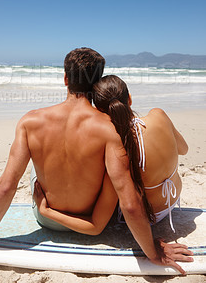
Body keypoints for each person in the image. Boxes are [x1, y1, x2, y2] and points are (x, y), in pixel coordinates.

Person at [0, 49, 193, 275]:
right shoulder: (109, 129)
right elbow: (129, 203)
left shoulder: (30, 121)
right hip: (91, 219)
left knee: (37, 158)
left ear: (65, 79)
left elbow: (7, 185)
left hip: (46, 217)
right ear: (97, 83)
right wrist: (152, 251)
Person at [34, 74, 188, 235]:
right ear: (129, 98)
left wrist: (45, 210)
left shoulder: (117, 147)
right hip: (171, 201)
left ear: (99, 111)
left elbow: (97, 225)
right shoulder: (159, 115)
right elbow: (184, 150)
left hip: (144, 216)